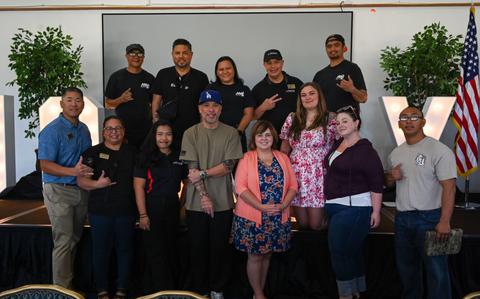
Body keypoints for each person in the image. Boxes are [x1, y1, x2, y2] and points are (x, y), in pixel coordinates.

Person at [385, 106, 456, 299]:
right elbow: (389, 182)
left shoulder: (439, 150)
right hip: (402, 220)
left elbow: (449, 187)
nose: (409, 121)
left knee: (437, 274)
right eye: (404, 118)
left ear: (423, 122)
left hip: (430, 219)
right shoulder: (396, 153)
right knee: (407, 273)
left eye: (414, 116)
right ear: (399, 124)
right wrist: (391, 178)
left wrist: (444, 221)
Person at [180, 90, 243, 299]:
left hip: (223, 202)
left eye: (214, 106)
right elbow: (191, 170)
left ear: (220, 109)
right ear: (199, 108)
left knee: (220, 249)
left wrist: (204, 173)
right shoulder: (190, 133)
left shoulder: (231, 133)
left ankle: (217, 289)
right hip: (195, 203)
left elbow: (228, 166)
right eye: (206, 106)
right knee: (197, 249)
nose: (210, 110)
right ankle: (199, 291)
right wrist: (204, 196)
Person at [232, 120, 297, 299]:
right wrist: (260, 206)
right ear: (254, 138)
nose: (264, 138)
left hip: (277, 216)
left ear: (273, 137)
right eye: (260, 134)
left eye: (268, 134)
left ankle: (257, 292)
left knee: (267, 254)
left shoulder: (283, 158)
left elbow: (293, 185)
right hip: (252, 217)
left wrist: (284, 205)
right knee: (255, 256)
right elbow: (240, 187)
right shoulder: (247, 158)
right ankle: (260, 294)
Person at [324, 106, 383, 299]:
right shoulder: (338, 144)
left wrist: (376, 212)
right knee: (351, 252)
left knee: (339, 252)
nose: (340, 125)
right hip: (335, 206)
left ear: (356, 123)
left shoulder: (366, 150)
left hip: (354, 208)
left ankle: (346, 295)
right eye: (338, 122)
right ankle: (357, 291)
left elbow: (376, 183)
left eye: (345, 121)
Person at [38, 87, 92, 289]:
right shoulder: (52, 130)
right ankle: (61, 291)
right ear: (61, 104)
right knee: (63, 241)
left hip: (80, 190)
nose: (74, 104)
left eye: (78, 100)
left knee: (74, 239)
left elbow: (87, 159)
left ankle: (68, 286)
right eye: (69, 100)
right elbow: (44, 164)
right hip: (59, 190)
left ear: (83, 105)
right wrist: (73, 172)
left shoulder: (84, 129)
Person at [77, 116, 137, 299]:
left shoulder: (134, 152)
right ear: (103, 132)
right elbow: (81, 180)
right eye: (110, 129)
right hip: (100, 212)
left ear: (123, 131)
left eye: (118, 128)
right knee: (100, 251)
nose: (114, 132)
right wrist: (97, 184)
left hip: (126, 211)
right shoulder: (92, 153)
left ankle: (122, 290)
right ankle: (101, 290)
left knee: (125, 250)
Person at [134, 119, 188, 293]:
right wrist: (143, 215)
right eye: (160, 134)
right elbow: (139, 187)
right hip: (152, 207)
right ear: (154, 136)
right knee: (155, 252)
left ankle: (172, 291)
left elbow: (187, 183)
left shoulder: (180, 156)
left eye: (168, 134)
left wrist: (181, 206)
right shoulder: (145, 156)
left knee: (171, 250)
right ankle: (156, 292)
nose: (164, 138)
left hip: (172, 206)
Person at [279, 82, 336, 230]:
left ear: (319, 96)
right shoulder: (292, 118)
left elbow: (344, 144)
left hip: (319, 176)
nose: (307, 97)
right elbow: (284, 149)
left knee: (315, 224)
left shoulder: (331, 118)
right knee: (302, 223)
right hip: (297, 175)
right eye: (303, 95)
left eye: (311, 93)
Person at [151, 38, 209, 150]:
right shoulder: (163, 74)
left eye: (185, 53)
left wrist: (203, 129)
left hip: (192, 131)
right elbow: (156, 101)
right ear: (172, 54)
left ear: (191, 55)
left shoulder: (201, 77)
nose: (181, 56)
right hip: (167, 132)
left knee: (189, 164)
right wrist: (156, 124)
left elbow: (204, 105)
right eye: (177, 53)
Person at [105, 43, 155, 149]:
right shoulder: (116, 77)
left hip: (145, 131)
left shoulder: (149, 78)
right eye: (132, 53)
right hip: (122, 131)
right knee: (124, 161)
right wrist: (121, 99)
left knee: (143, 161)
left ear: (143, 57)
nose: (136, 57)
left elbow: (155, 104)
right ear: (126, 56)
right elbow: (107, 103)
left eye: (140, 54)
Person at [207, 56, 255, 151]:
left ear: (234, 70)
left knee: (239, 165)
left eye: (228, 68)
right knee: (215, 165)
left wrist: (238, 133)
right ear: (217, 72)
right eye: (221, 69)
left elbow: (248, 114)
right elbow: (204, 112)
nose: (225, 72)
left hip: (237, 137)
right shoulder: (210, 89)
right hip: (214, 136)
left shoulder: (244, 89)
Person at [253, 49, 303, 140]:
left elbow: (307, 108)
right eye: (269, 63)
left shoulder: (296, 83)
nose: (273, 66)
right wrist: (263, 107)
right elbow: (252, 117)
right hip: (268, 139)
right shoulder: (258, 89)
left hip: (294, 137)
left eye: (276, 62)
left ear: (282, 63)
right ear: (264, 65)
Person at [313, 34, 367, 112]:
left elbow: (363, 98)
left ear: (344, 48)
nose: (333, 49)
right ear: (326, 50)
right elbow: (315, 102)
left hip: (347, 121)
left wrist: (352, 89)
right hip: (325, 121)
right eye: (329, 46)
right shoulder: (319, 75)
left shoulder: (352, 68)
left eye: (336, 45)